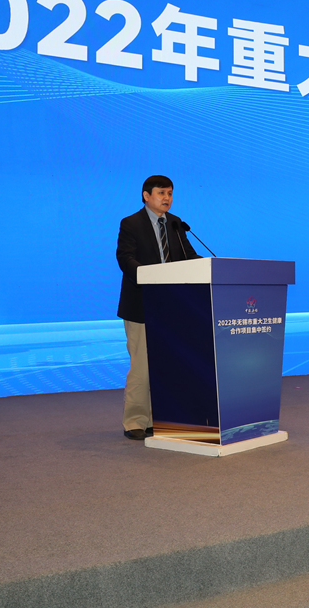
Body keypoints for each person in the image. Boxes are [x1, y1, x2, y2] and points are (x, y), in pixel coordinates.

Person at [116, 175, 200, 440]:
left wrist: (213, 267)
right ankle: (135, 422)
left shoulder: (175, 223)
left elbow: (189, 256)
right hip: (141, 303)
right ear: (146, 195)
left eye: (170, 193)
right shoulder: (131, 223)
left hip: (170, 305)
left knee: (166, 367)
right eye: (162, 193)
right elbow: (125, 258)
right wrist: (147, 276)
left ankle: (158, 419)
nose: (167, 198)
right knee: (142, 367)